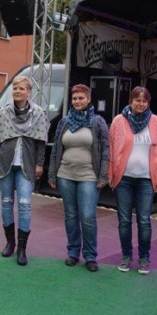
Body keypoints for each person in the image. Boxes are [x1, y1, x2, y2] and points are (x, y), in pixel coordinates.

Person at [47, 84, 109, 272]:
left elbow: (106, 150)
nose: (77, 101)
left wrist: (103, 175)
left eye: (81, 98)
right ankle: (73, 253)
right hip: (65, 174)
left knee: (88, 216)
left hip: (89, 175)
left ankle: (90, 256)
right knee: (71, 216)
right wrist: (52, 172)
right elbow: (57, 148)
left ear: (89, 99)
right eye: (74, 99)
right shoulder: (64, 122)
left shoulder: (98, 122)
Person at [108, 87, 157, 275]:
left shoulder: (156, 122)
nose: (140, 104)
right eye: (137, 100)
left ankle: (144, 258)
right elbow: (111, 149)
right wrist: (110, 174)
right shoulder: (119, 120)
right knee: (124, 220)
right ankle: (126, 256)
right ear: (131, 101)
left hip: (146, 179)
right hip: (123, 178)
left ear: (148, 103)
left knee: (144, 220)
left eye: (144, 101)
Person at [0, 75, 49, 266]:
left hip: (27, 165)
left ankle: (22, 249)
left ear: (29, 92)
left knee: (24, 205)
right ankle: (10, 243)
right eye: (15, 88)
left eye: (21, 88)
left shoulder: (39, 113)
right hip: (5, 164)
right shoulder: (4, 113)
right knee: (6, 203)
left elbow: (41, 142)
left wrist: (40, 164)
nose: (17, 91)